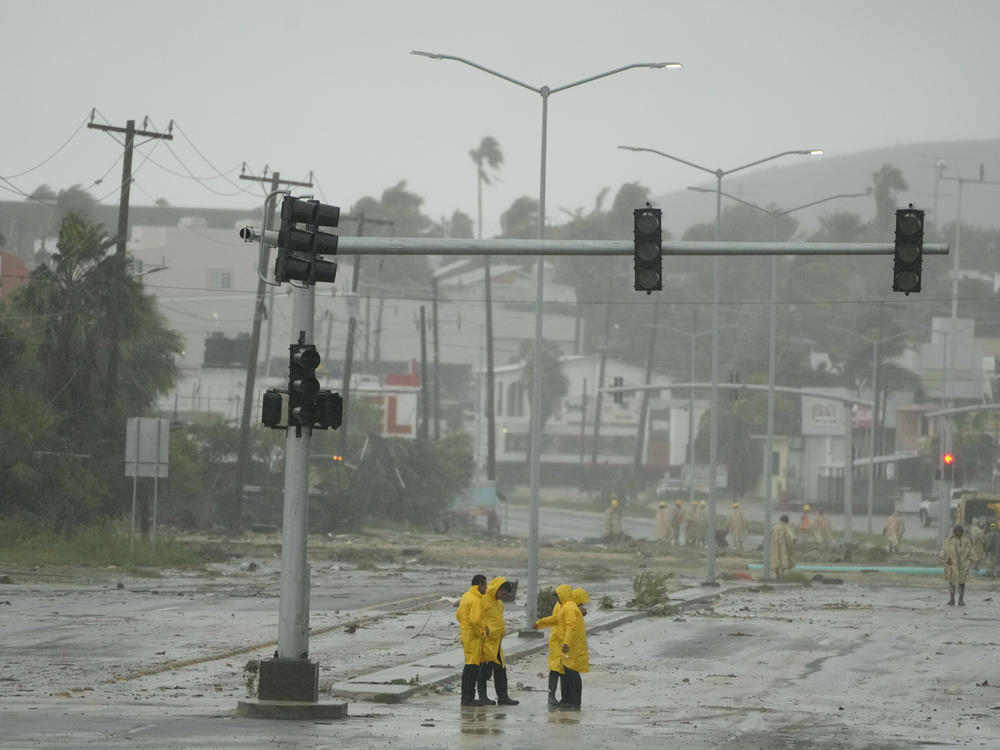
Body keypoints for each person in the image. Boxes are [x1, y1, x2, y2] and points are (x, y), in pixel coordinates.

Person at [478, 577, 519, 705]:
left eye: (506, 594)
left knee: (501, 669)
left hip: (497, 642)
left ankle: (503, 697)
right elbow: (476, 617)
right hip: (486, 642)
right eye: (503, 592)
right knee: (484, 671)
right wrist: (484, 630)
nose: (504, 596)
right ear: (497, 589)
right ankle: (483, 697)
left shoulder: (499, 603)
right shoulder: (483, 599)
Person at [533, 584, 571, 706]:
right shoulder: (558, 606)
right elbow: (554, 619)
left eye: (559, 597)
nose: (557, 599)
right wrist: (540, 623)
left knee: (565, 670)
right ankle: (551, 696)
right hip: (556, 641)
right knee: (555, 669)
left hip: (565, 642)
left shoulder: (569, 607)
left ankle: (565, 697)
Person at [456, 574, 487, 706]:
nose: (486, 588)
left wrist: (465, 627)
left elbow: (458, 615)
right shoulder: (475, 600)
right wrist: (482, 632)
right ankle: (469, 698)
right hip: (473, 637)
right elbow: (474, 620)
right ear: (480, 585)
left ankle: (466, 697)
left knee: (469, 667)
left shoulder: (466, 596)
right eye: (485, 585)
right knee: (472, 668)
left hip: (466, 634)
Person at [558, 587, 590, 710]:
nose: (582, 606)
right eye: (581, 602)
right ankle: (570, 701)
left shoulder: (571, 608)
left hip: (571, 646)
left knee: (572, 674)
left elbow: (572, 627)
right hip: (568, 646)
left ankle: (574, 702)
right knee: (567, 674)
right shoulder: (571, 608)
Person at [939, 525, 974, 606]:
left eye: (960, 532)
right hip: (951, 565)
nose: (958, 533)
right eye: (956, 531)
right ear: (953, 532)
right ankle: (952, 599)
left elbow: (971, 553)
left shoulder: (966, 541)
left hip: (962, 566)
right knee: (951, 582)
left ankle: (961, 600)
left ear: (962, 532)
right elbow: (944, 551)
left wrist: (968, 562)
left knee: (962, 583)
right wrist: (945, 559)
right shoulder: (949, 540)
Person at [770, 514, 796, 580]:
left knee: (776, 561)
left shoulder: (775, 526)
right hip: (783, 548)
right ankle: (781, 576)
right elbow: (791, 537)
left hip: (775, 548)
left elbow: (769, 532)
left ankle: (776, 574)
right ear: (787, 521)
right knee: (783, 561)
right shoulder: (786, 527)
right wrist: (791, 544)